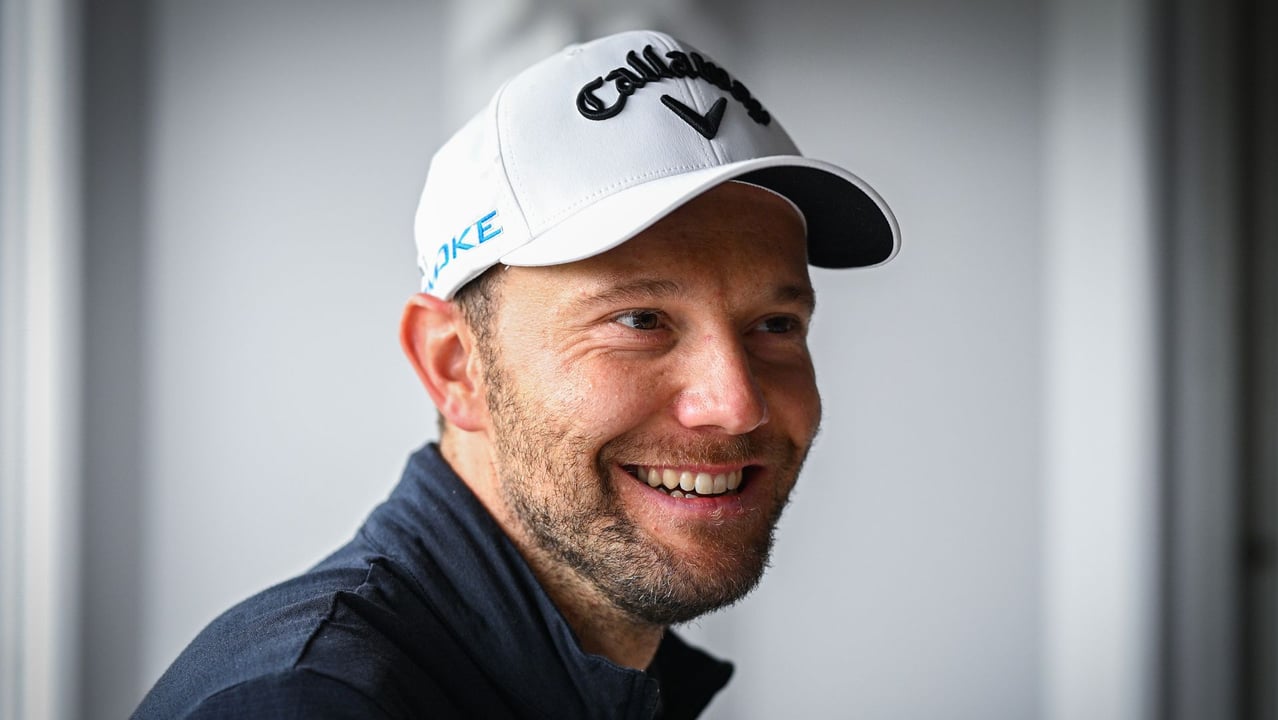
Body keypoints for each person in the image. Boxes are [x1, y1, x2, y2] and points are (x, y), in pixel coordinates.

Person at [134, 28, 899, 719]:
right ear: (454, 364)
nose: (736, 404)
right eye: (639, 321)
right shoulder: (310, 703)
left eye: (775, 325)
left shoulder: (590, 684)